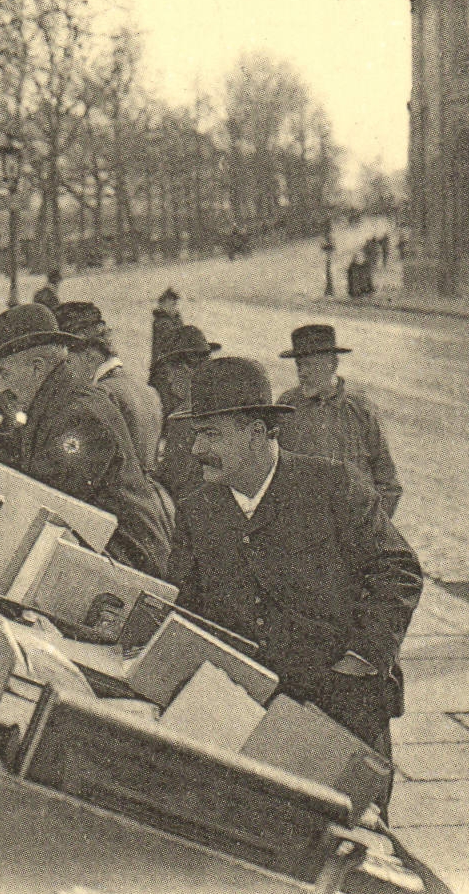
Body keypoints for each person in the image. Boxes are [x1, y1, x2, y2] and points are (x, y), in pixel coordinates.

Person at [167, 357, 424, 764]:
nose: (197, 450)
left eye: (210, 435)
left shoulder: (333, 485)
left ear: (255, 434)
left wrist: (359, 662)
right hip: (244, 716)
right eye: (196, 435)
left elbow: (399, 571)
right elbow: (187, 609)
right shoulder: (196, 510)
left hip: (343, 711)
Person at [0, 303, 173, 578]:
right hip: (108, 555)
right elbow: (10, 448)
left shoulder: (79, 415)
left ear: (36, 368)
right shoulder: (56, 404)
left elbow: (44, 495)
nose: (1, 388)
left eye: (5, 374)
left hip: (130, 567)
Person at [276, 324, 402, 518]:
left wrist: (371, 529)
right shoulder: (286, 407)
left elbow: (387, 481)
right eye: (299, 365)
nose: (303, 373)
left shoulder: (360, 409)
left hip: (353, 525)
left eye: (311, 364)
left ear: (333, 365)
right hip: (303, 526)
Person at [54, 301, 162, 476]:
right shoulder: (148, 390)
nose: (66, 374)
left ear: (88, 356)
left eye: (68, 362)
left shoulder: (102, 395)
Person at [151, 324, 220, 501]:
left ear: (184, 369)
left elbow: (172, 481)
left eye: (169, 372)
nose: (168, 380)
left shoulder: (182, 417)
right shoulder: (227, 403)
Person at [147, 287, 183, 407]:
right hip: (165, 367)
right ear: (162, 303)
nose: (174, 304)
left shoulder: (173, 320)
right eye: (171, 301)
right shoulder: (162, 322)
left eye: (175, 301)